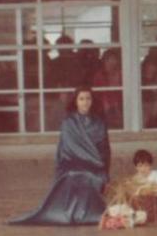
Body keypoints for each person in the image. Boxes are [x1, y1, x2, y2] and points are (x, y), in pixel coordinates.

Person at [9, 86, 111, 225]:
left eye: (88, 98)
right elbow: (66, 150)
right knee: (74, 175)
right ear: (76, 101)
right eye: (81, 99)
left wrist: (103, 169)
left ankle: (89, 214)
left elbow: (105, 150)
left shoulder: (99, 123)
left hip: (95, 167)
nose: (85, 102)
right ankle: (71, 214)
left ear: (92, 101)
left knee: (91, 176)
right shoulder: (68, 123)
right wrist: (87, 160)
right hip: (71, 165)